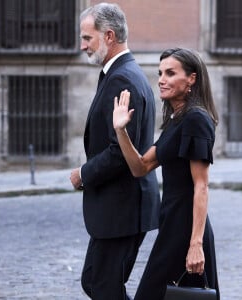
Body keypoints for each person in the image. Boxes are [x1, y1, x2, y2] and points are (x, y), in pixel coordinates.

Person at [113, 48, 220, 300]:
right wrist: (121, 131)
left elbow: (201, 187)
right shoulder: (177, 120)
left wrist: (196, 245)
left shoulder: (196, 119)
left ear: (191, 79)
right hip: (171, 225)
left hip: (186, 231)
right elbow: (140, 167)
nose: (161, 79)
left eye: (170, 73)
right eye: (160, 73)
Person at [69, 3, 160, 300]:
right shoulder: (122, 73)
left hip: (122, 208)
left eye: (87, 38)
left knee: (102, 285)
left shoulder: (122, 78)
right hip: (121, 208)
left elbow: (121, 151)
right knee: (95, 281)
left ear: (109, 36)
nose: (82, 46)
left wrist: (84, 173)